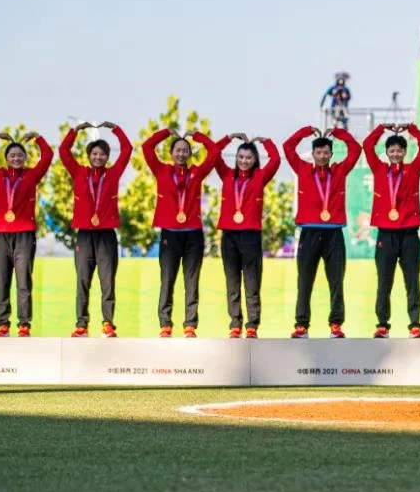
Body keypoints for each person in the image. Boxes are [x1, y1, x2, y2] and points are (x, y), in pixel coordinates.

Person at [284, 125, 362, 338]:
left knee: (336, 281)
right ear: (313, 154)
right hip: (309, 233)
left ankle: (336, 325)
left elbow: (355, 149)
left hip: (334, 233)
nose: (322, 156)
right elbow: (288, 146)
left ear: (331, 154)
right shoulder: (302, 169)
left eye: (326, 152)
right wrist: (306, 131)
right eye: (318, 152)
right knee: (304, 281)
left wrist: (338, 132)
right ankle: (301, 326)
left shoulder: (340, 171)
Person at [142, 129, 221, 338]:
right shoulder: (161, 170)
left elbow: (214, 151)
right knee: (167, 279)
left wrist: (198, 136)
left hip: (193, 234)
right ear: (171, 152)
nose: (181, 154)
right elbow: (147, 147)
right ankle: (165, 324)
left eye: (185, 150)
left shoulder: (197, 172)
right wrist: (166, 133)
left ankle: (190, 325)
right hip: (170, 233)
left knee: (191, 281)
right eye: (177, 150)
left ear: (190, 153)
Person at [0, 131, 54, 337]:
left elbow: (47, 156)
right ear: (6, 158)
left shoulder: (32, 175)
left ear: (25, 157)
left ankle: (24, 324)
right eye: (12, 155)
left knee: (23, 282)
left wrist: (38, 138)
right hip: (0, 234)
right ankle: (3, 324)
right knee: (2, 281)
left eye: (20, 155)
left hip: (24, 235)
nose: (16, 158)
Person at [59, 121, 132, 338]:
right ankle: (81, 324)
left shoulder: (113, 173)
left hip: (106, 234)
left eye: (102, 154)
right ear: (89, 156)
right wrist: (75, 131)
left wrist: (116, 129)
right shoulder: (78, 172)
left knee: (107, 281)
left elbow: (127, 149)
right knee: (83, 281)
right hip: (84, 234)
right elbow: (64, 151)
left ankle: (108, 324)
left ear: (107, 157)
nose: (98, 157)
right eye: (95, 154)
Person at [364, 123, 420, 338]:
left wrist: (411, 129)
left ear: (405, 152)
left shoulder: (414, 169)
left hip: (409, 234)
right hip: (385, 234)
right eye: (391, 150)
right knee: (384, 281)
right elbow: (367, 145)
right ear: (386, 152)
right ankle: (382, 325)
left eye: (399, 150)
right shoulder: (378, 169)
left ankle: (415, 325)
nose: (395, 154)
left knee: (412, 282)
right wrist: (381, 128)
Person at [215, 133, 280, 338]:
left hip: (251, 236)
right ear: (236, 158)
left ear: (255, 159)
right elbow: (213, 154)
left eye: (249, 157)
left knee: (252, 282)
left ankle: (252, 325)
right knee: (232, 282)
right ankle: (235, 324)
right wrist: (229, 138)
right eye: (241, 157)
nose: (244, 161)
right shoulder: (226, 174)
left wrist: (266, 142)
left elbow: (276, 160)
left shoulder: (260, 176)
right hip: (229, 236)